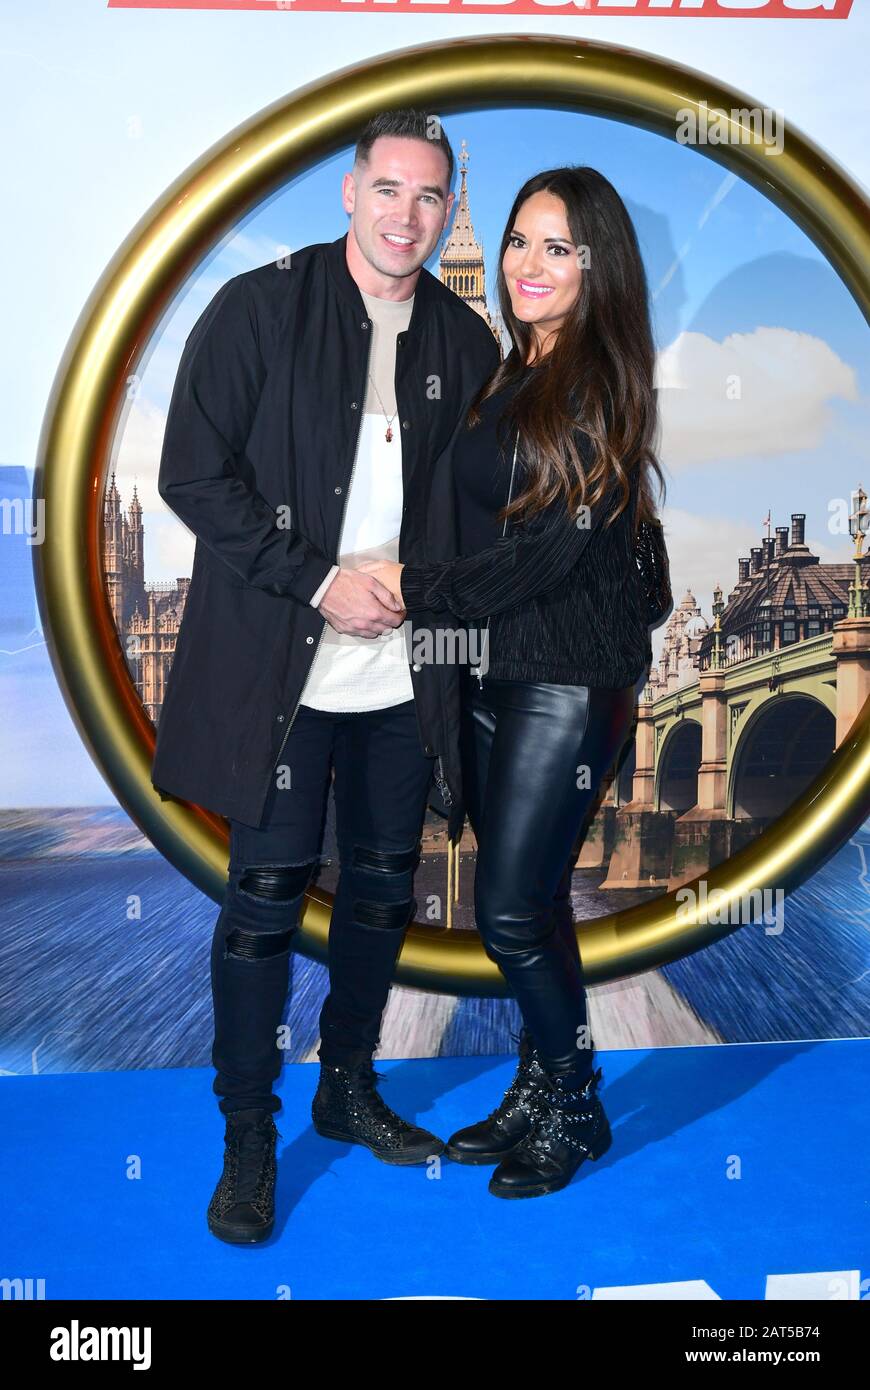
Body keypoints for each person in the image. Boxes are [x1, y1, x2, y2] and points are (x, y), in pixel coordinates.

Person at [151, 108, 501, 1242]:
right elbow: (193, 476)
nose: (409, 215)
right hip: (282, 671)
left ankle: (346, 1087)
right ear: (349, 193)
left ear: (451, 210)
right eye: (389, 189)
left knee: (388, 889)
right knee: (261, 906)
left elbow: (484, 515)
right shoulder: (259, 307)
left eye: (431, 196)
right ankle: (248, 1139)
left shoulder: (468, 345)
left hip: (407, 680)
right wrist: (317, 579)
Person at [361, 166, 667, 1199]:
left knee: (503, 914)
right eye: (521, 243)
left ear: (597, 268)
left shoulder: (596, 380)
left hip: (567, 682)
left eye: (559, 248)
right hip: (501, 672)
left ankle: (578, 1106)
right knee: (533, 905)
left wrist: (412, 588)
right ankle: (540, 1086)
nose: (530, 266)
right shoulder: (511, 368)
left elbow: (541, 560)